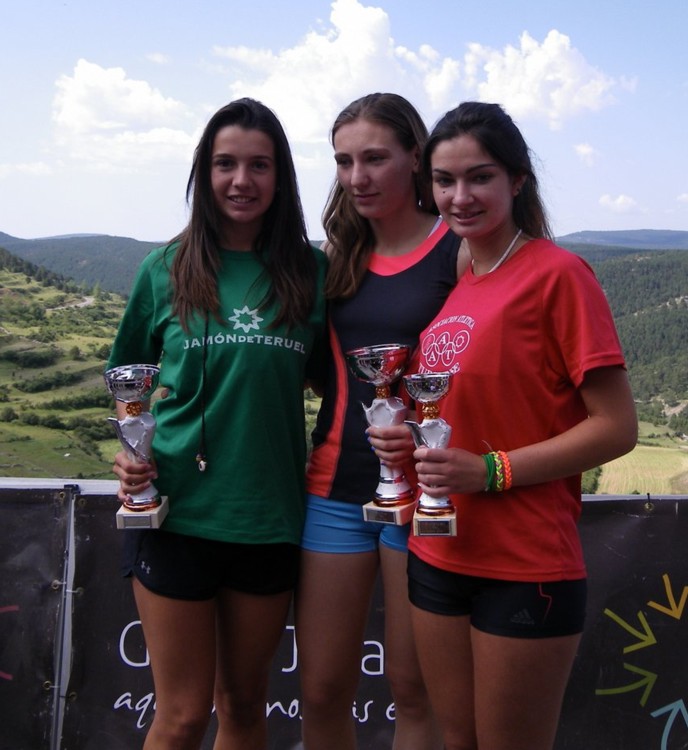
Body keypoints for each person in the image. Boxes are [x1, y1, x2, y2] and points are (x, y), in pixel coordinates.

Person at [369, 101, 638, 750]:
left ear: (517, 180)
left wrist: (491, 470)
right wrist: (409, 441)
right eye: (444, 180)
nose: (460, 196)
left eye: (480, 177)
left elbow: (617, 427)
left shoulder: (558, 276)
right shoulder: (461, 279)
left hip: (524, 563)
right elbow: (467, 412)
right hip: (436, 551)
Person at [107, 98, 327, 750]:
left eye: (259, 165)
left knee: (245, 706)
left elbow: (336, 384)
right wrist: (130, 454)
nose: (241, 180)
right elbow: (127, 383)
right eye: (225, 163)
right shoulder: (165, 269)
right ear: (203, 173)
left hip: (268, 518)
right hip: (175, 515)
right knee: (180, 716)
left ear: (281, 176)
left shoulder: (311, 273)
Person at [296, 92, 465, 750]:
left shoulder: (456, 250)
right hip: (333, 489)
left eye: (374, 158)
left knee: (413, 690)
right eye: (343, 161)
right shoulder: (337, 255)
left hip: (424, 495)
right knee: (320, 690)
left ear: (415, 157)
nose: (356, 176)